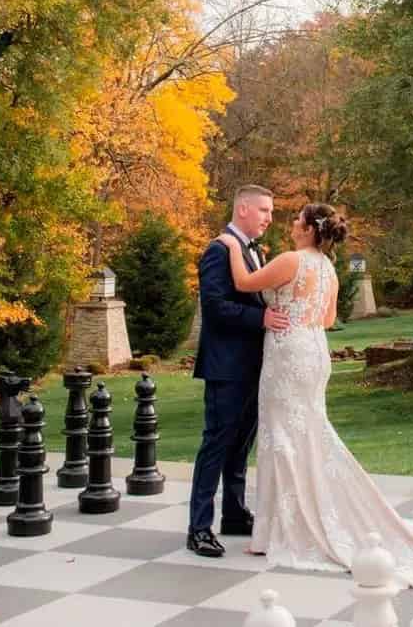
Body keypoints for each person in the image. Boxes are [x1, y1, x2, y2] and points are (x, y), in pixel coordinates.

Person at [218, 202, 413, 577]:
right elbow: (327, 318)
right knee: (307, 431)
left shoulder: (291, 260)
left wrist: (233, 249)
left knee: (282, 437)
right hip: (314, 350)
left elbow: (244, 283)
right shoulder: (328, 269)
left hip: (288, 351)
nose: (292, 223)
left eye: (298, 219)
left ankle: (277, 531)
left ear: (310, 229)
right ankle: (297, 515)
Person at [187, 184, 290, 558]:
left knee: (241, 444)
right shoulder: (218, 250)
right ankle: (198, 528)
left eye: (272, 211)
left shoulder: (254, 252)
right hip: (226, 368)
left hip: (254, 367)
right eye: (264, 210)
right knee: (216, 443)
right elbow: (214, 307)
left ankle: (233, 513)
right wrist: (260, 317)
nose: (268, 218)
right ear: (243, 209)